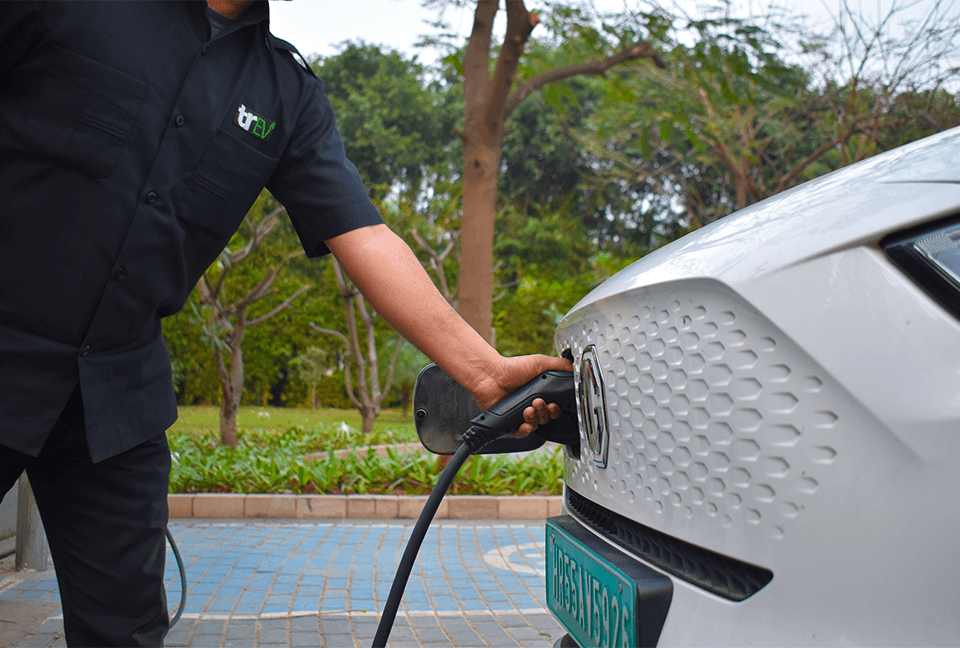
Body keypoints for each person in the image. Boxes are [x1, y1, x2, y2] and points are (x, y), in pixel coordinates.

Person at [0, 1, 571, 645]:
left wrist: (487, 373)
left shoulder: (285, 93)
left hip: (116, 394)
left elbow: (365, 235)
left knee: (124, 630)